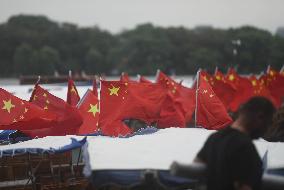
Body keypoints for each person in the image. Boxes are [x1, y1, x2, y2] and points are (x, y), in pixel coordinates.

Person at [195, 97, 276, 190]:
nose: (267, 129)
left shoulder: (214, 138)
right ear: (260, 117)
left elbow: (196, 169)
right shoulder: (246, 148)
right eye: (269, 123)